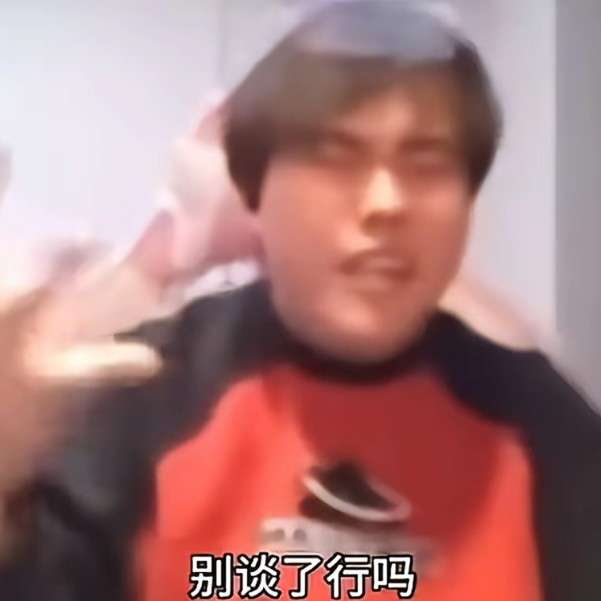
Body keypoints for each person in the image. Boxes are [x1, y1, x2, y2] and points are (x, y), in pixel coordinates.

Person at [1, 2, 599, 600]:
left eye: (427, 163)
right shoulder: (138, 404)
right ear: (252, 189)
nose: (386, 202)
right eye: (336, 157)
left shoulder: (542, 426)